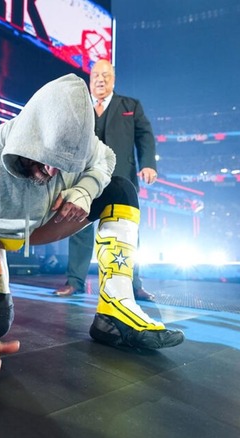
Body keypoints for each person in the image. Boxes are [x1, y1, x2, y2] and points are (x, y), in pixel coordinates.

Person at [0, 74, 184, 374]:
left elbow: (106, 156)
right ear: (30, 134)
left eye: (64, 163)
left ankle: (114, 313)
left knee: (120, 190)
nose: (53, 170)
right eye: (45, 159)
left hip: (42, 224)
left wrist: (84, 190)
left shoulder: (80, 143)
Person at [54, 59, 158, 301]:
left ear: (114, 79)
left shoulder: (131, 106)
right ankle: (74, 282)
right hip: (83, 179)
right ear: (90, 81)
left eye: (105, 75)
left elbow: (145, 135)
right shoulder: (78, 108)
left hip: (121, 179)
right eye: (95, 76)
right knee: (77, 228)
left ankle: (133, 284)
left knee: (126, 232)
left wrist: (148, 164)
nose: (100, 79)